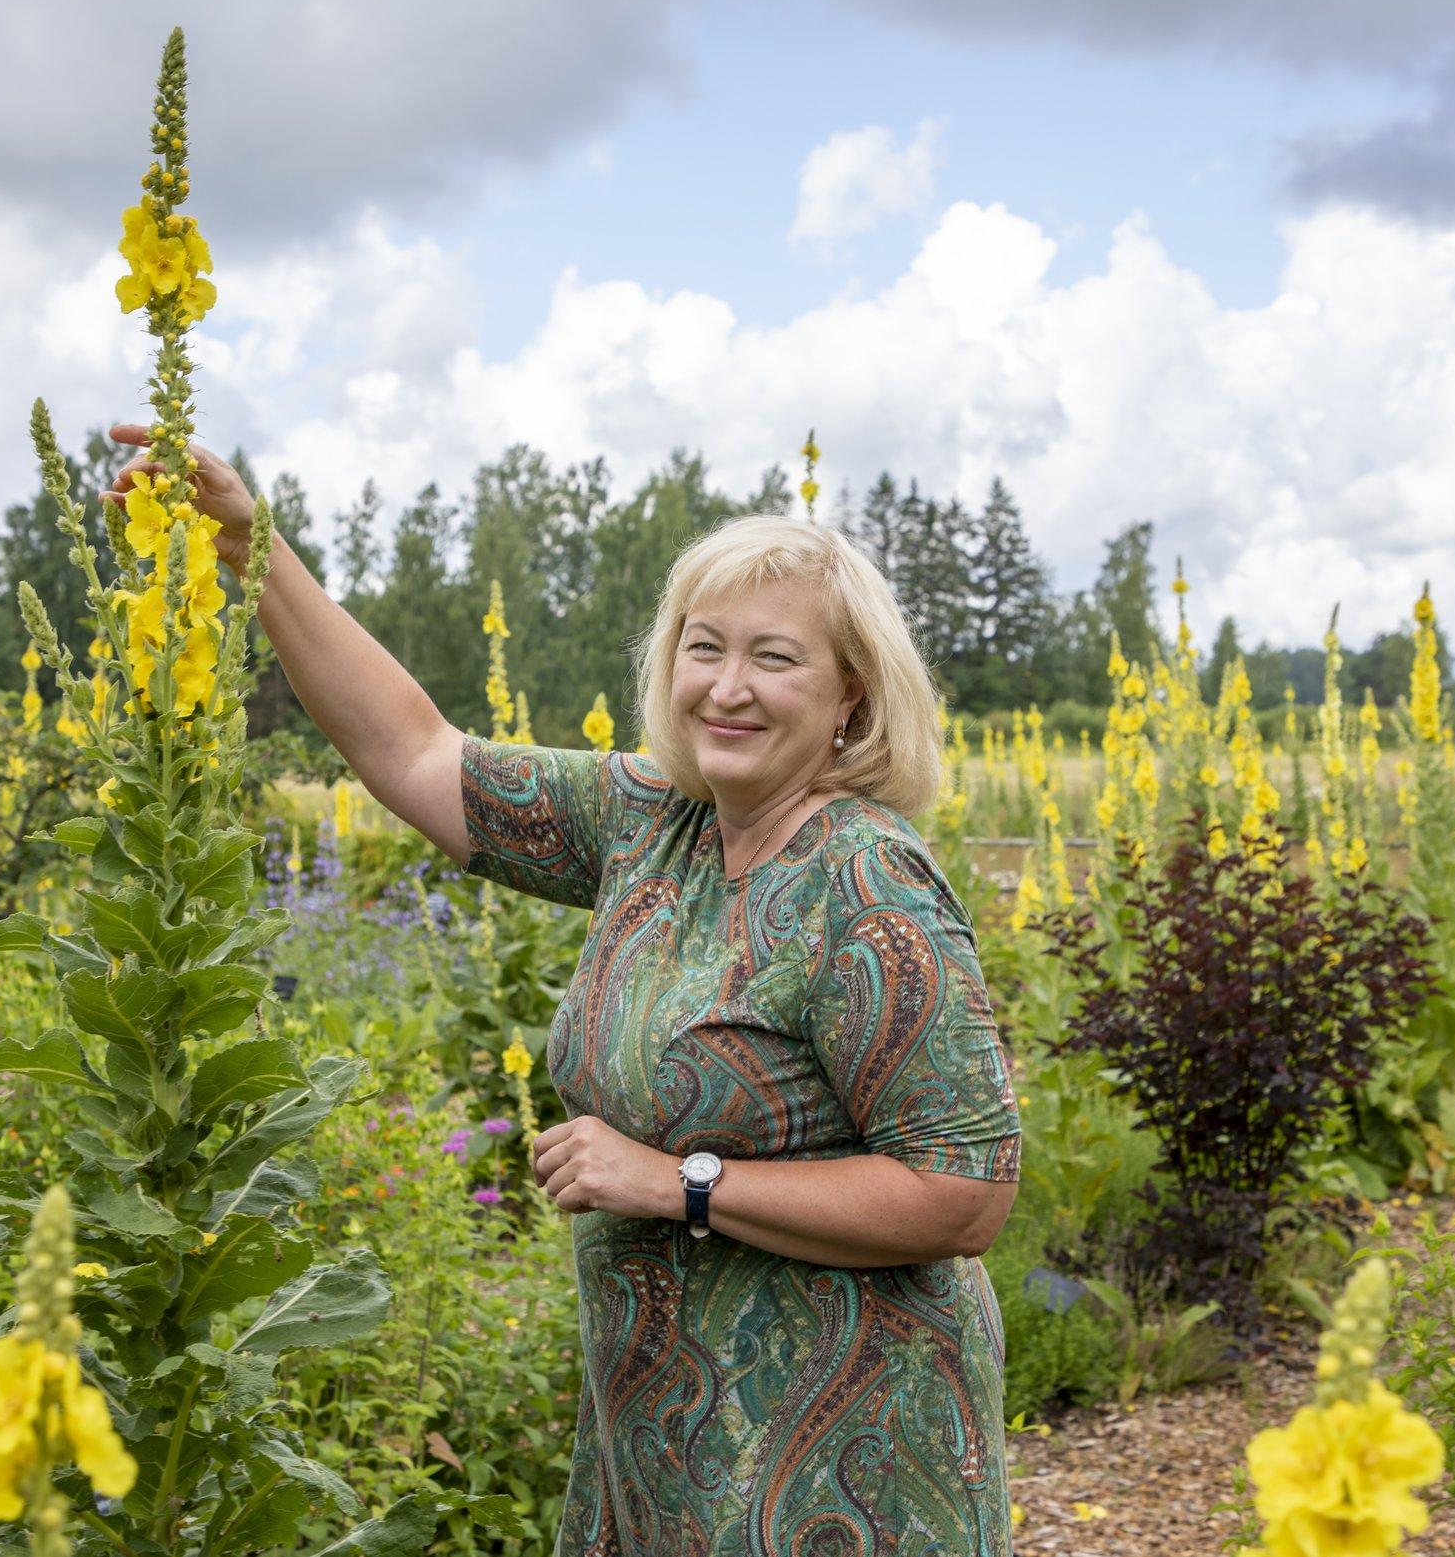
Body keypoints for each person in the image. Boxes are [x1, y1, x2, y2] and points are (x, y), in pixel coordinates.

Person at [107, 426, 1022, 1557]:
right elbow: (414, 754)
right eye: (703, 649)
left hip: (846, 1469)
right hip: (667, 1443)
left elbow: (961, 1193)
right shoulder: (656, 824)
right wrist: (253, 549)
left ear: (849, 698)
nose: (726, 689)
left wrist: (679, 1182)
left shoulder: (864, 882)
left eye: (774, 659)